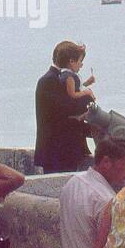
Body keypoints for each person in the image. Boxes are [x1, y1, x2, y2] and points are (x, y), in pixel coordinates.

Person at [35, 40, 95, 174]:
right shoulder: (50, 80)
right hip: (57, 150)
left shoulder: (59, 78)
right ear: (70, 61)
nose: (81, 64)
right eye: (79, 60)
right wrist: (87, 96)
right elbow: (66, 110)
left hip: (66, 148)